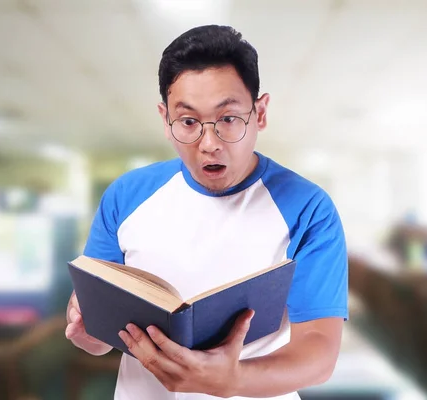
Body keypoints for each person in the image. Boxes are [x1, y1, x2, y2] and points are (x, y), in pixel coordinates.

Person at [65, 24, 348, 400]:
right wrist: (87, 331)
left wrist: (233, 381)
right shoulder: (125, 196)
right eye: (188, 122)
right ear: (166, 119)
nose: (209, 143)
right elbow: (100, 340)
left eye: (228, 119)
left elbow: (319, 352)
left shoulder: (308, 208)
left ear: (259, 113)